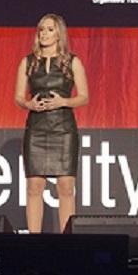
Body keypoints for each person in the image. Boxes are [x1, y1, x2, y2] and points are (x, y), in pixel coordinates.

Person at [14, 13, 89, 234]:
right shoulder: (27, 62)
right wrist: (29, 104)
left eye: (50, 29)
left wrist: (63, 101)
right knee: (34, 187)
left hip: (64, 129)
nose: (44, 34)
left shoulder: (72, 62)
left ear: (59, 34)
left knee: (66, 187)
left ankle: (67, 242)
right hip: (36, 128)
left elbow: (84, 97)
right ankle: (34, 242)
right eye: (41, 30)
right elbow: (18, 98)